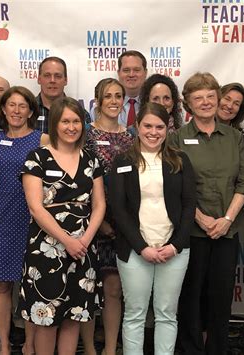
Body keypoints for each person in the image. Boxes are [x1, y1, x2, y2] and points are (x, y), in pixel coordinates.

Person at [172, 72, 244, 355]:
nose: (205, 102)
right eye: (198, 98)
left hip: (226, 231)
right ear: (187, 105)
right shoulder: (177, 139)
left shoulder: (234, 138)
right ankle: (191, 349)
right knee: (190, 296)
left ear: (217, 99)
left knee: (220, 297)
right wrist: (201, 219)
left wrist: (226, 219)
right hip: (192, 231)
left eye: (210, 96)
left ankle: (217, 349)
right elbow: (175, 187)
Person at [19, 97, 106, 355]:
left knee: (74, 315)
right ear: (55, 124)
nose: (71, 127)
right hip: (47, 248)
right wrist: (67, 240)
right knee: (46, 318)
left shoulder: (91, 160)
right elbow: (35, 207)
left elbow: (99, 205)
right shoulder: (37, 158)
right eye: (65, 121)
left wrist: (85, 239)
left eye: (76, 121)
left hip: (83, 248)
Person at [109, 102, 196, 354]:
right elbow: (118, 209)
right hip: (134, 250)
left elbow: (189, 205)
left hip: (174, 250)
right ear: (137, 127)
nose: (153, 132)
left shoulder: (180, 160)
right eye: (147, 125)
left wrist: (175, 245)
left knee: (167, 314)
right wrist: (142, 247)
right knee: (135, 315)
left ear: (167, 129)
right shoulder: (123, 160)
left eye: (159, 126)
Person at [0, 86, 49, 355]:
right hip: (3, 215)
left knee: (31, 284)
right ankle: (3, 344)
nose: (16, 110)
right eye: (11, 105)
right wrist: (3, 191)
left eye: (22, 105)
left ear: (31, 111)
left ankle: (30, 344)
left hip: (34, 217)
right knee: (2, 283)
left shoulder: (42, 139)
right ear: (3, 109)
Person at [81, 78, 134, 355]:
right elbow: (80, 181)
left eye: (118, 96)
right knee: (87, 288)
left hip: (122, 224)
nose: (113, 101)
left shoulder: (132, 137)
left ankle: (111, 349)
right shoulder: (84, 135)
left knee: (113, 290)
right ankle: (90, 349)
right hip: (88, 222)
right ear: (97, 101)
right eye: (107, 96)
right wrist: (97, 221)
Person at [35, 57, 91, 133]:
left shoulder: (81, 113)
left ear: (65, 80)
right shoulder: (27, 110)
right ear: (39, 79)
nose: (52, 80)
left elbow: (87, 143)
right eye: (47, 75)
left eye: (58, 76)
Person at [216, 82, 244, 155]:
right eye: (227, 99)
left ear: (240, 110)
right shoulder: (200, 129)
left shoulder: (242, 137)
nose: (229, 106)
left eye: (236, 104)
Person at [116, 50, 148, 127]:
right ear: (118, 73)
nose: (131, 74)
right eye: (126, 70)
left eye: (136, 70)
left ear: (145, 73)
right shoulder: (103, 108)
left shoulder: (154, 104)